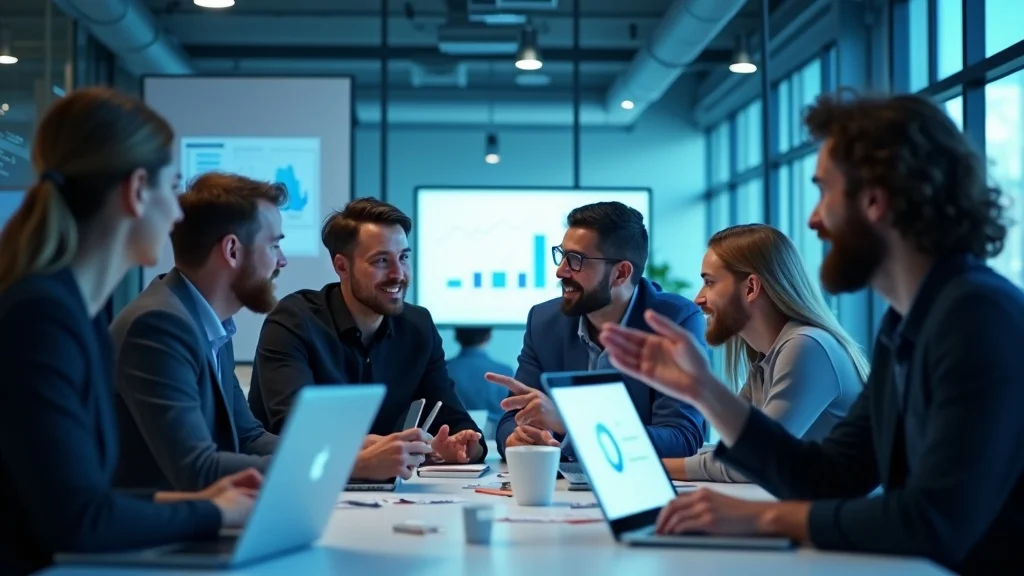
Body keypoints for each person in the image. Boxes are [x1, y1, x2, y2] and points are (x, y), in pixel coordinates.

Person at [600, 92, 1024, 576]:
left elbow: (934, 520)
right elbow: (828, 475)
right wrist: (705, 390)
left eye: (824, 191)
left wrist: (762, 517)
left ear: (873, 201)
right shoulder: (905, 324)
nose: (813, 218)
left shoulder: (976, 317)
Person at [0, 87, 256, 576]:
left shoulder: (76, 315)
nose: (178, 215)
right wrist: (213, 512)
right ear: (138, 191)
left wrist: (201, 498)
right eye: (172, 189)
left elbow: (83, 493)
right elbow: (78, 520)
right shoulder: (40, 321)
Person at [248, 197, 484, 468]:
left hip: (386, 495)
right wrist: (374, 448)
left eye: (404, 257)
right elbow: (294, 426)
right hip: (299, 481)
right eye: (381, 261)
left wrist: (462, 446)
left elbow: (455, 420)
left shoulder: (418, 326)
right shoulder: (294, 320)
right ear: (342, 266)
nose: (399, 274)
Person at [110, 172, 286, 492]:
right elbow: (197, 467)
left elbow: (248, 438)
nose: (282, 261)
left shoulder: (208, 324)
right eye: (274, 245)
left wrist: (348, 452)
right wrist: (331, 465)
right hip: (153, 537)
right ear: (232, 250)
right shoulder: (158, 326)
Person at [490, 201, 706, 460]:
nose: (560, 271)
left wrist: (573, 424)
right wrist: (517, 437)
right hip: (561, 487)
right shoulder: (544, 321)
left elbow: (682, 437)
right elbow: (512, 418)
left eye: (576, 260)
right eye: (562, 255)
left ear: (620, 273)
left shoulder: (675, 322)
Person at [661, 224, 869, 482]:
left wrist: (651, 469)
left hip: (845, 517)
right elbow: (736, 447)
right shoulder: (766, 357)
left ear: (750, 288)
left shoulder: (806, 346)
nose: (698, 299)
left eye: (709, 283)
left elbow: (754, 461)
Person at [446, 327, 515, 438]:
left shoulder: (443, 369)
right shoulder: (504, 371)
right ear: (488, 336)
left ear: (456, 336)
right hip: (496, 440)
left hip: (452, 439)